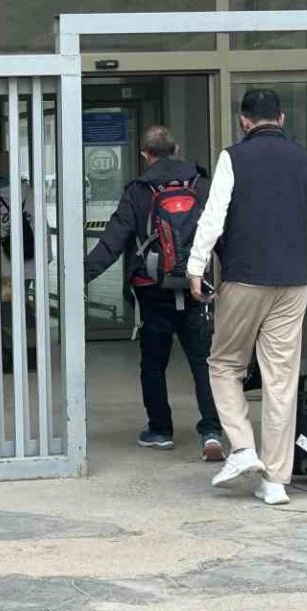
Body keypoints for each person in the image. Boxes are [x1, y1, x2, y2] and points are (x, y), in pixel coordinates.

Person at [186, 89, 307, 507]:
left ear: (244, 121)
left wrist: (195, 267)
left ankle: (244, 448)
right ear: (281, 118)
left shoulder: (233, 158)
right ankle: (276, 481)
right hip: (293, 284)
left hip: (244, 279)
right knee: (280, 379)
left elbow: (213, 218)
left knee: (224, 364)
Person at [84, 125, 225, 458]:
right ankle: (211, 431)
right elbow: (221, 233)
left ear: (145, 154)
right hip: (195, 286)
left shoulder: (138, 191)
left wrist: (81, 276)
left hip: (152, 288)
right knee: (203, 361)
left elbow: (113, 240)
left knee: (153, 362)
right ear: (175, 149)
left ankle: (160, 430)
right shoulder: (201, 185)